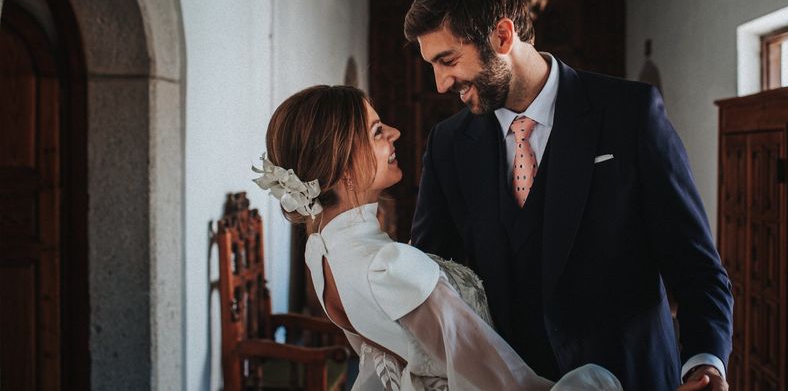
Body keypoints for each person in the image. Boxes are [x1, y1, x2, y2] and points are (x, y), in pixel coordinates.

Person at [404, 0, 734, 391]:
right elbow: (433, 275)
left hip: (632, 378)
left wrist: (704, 362)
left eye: (447, 59)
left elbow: (696, 268)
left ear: (502, 36)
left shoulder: (630, 114)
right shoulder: (448, 144)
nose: (441, 83)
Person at [254, 85, 714, 391]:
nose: (393, 131)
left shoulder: (323, 253)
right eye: (377, 131)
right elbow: (501, 384)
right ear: (340, 161)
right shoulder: (390, 266)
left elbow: (384, 363)